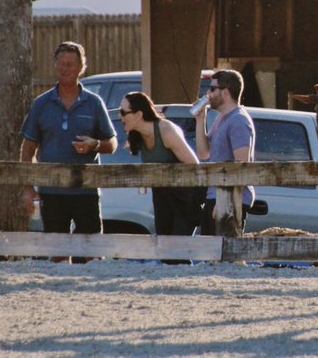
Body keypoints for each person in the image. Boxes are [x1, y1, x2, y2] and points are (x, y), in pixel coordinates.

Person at [20, 41, 117, 254]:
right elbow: (28, 147)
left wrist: (94, 145)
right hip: (51, 191)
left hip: (86, 189)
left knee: (91, 252)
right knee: (57, 253)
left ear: (81, 67)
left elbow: (112, 144)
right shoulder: (41, 104)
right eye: (61, 63)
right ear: (55, 65)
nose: (65, 68)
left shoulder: (94, 103)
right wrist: (28, 188)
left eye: (70, 64)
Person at [119, 91, 208, 236]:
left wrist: (198, 203)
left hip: (184, 200)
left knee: (178, 246)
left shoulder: (166, 131)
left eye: (123, 112)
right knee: (163, 246)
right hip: (161, 200)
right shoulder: (138, 135)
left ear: (139, 114)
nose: (120, 116)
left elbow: (194, 167)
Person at [194, 69, 255, 237]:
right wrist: (200, 120)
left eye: (213, 89)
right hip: (215, 195)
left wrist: (225, 202)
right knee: (209, 250)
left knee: (224, 250)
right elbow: (204, 153)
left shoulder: (238, 120)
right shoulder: (222, 118)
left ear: (226, 93)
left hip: (230, 200)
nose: (208, 94)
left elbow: (242, 165)